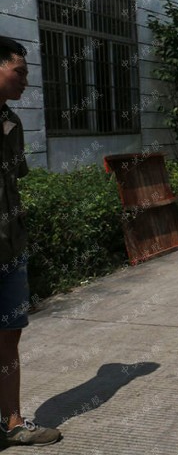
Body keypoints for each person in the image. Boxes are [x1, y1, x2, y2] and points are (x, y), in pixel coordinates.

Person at [0, 36, 61, 447]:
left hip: (10, 248)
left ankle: (12, 422)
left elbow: (14, 182)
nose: (25, 80)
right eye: (19, 71)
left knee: (9, 334)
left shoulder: (13, 123)